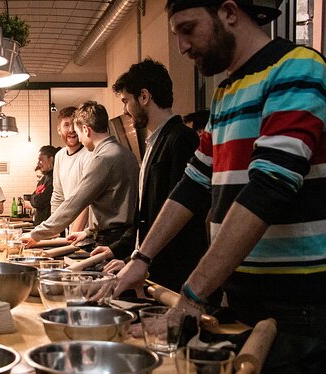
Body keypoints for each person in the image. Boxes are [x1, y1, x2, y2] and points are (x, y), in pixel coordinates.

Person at [115, 0, 326, 337]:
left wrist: (192, 295)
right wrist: (142, 258)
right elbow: (192, 183)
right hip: (240, 292)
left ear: (229, 12)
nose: (182, 47)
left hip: (296, 301)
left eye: (188, 30)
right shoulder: (225, 92)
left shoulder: (296, 68)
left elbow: (270, 186)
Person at [81, 59, 208, 292]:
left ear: (144, 97)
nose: (125, 111)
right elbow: (146, 219)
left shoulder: (181, 139)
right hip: (150, 266)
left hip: (174, 274)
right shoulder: (153, 142)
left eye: (126, 101)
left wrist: (142, 260)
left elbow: (176, 214)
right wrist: (124, 253)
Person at [23, 101, 139, 248]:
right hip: (123, 236)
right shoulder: (124, 153)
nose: (81, 140)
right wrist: (89, 232)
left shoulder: (103, 158)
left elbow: (77, 201)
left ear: (86, 130)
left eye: (78, 133)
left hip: (112, 239)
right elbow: (117, 204)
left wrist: (36, 234)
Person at [51, 107, 93, 235]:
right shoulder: (59, 156)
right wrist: (53, 231)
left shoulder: (89, 154)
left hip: (86, 233)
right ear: (59, 129)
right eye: (66, 125)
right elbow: (58, 196)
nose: (71, 130)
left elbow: (87, 200)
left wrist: (74, 233)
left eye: (75, 124)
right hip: (70, 233)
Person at [30, 145, 60, 225]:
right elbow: (33, 198)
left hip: (50, 225)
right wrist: (34, 198)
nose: (38, 163)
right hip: (39, 224)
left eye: (41, 160)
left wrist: (34, 198)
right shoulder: (44, 178)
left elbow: (39, 201)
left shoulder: (55, 178)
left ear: (51, 159)